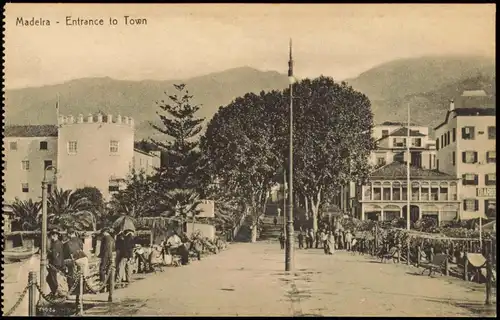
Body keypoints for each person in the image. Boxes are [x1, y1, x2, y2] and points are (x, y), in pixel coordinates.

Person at [63, 228, 89, 305]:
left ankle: (73, 293)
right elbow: (81, 250)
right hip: (84, 259)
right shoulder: (80, 240)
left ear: (68, 234)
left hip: (76, 260)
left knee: (72, 276)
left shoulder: (67, 243)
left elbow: (67, 254)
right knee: (83, 276)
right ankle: (81, 293)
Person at [47, 229, 64, 297]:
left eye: (51, 235)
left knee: (52, 278)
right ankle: (55, 292)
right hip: (57, 263)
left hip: (55, 263)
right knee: (50, 278)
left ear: (53, 236)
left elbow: (54, 255)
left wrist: (48, 251)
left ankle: (57, 292)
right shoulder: (59, 243)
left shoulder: (56, 244)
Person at [98, 227, 115, 292]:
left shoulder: (105, 238)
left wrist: (101, 255)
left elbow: (105, 249)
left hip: (105, 256)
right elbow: (113, 248)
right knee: (109, 271)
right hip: (110, 256)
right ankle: (109, 287)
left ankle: (102, 285)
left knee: (101, 269)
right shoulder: (112, 239)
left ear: (104, 232)